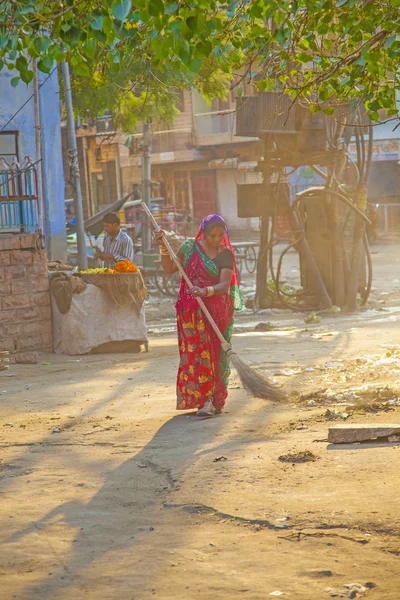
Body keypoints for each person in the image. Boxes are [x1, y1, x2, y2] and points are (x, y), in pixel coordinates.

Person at [154, 214, 242, 417]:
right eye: (212, 235)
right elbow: (169, 268)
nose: (216, 240)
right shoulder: (189, 247)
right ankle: (204, 400)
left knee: (214, 354)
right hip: (191, 312)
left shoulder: (225, 254)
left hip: (216, 312)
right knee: (197, 355)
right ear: (203, 233)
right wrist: (163, 246)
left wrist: (205, 291)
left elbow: (224, 285)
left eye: (220, 235)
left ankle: (214, 399)